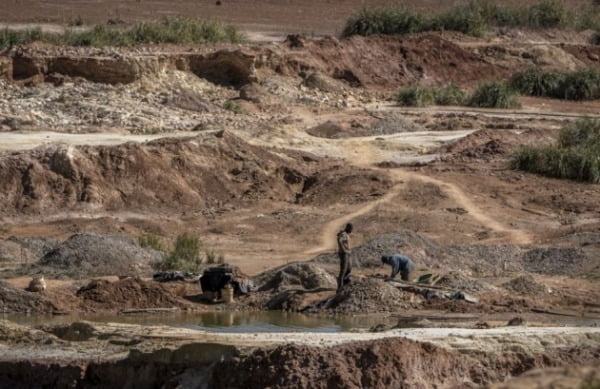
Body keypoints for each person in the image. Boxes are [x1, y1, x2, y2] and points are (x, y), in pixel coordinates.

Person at [336, 223, 353, 292]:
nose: (351, 230)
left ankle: (345, 283)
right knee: (343, 270)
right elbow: (339, 241)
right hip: (344, 254)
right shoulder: (343, 234)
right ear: (348, 228)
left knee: (349, 269)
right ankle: (340, 287)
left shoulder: (346, 234)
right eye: (351, 229)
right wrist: (344, 250)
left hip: (347, 253)